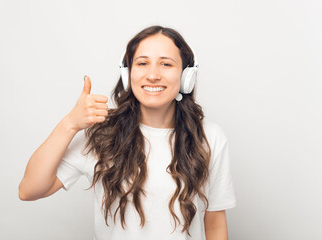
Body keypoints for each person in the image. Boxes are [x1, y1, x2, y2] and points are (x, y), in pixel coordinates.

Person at [19, 25, 236, 240]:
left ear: (186, 76)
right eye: (142, 63)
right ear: (127, 73)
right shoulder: (102, 135)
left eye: (166, 64)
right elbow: (29, 190)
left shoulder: (210, 137)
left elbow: (215, 223)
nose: (153, 75)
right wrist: (69, 124)